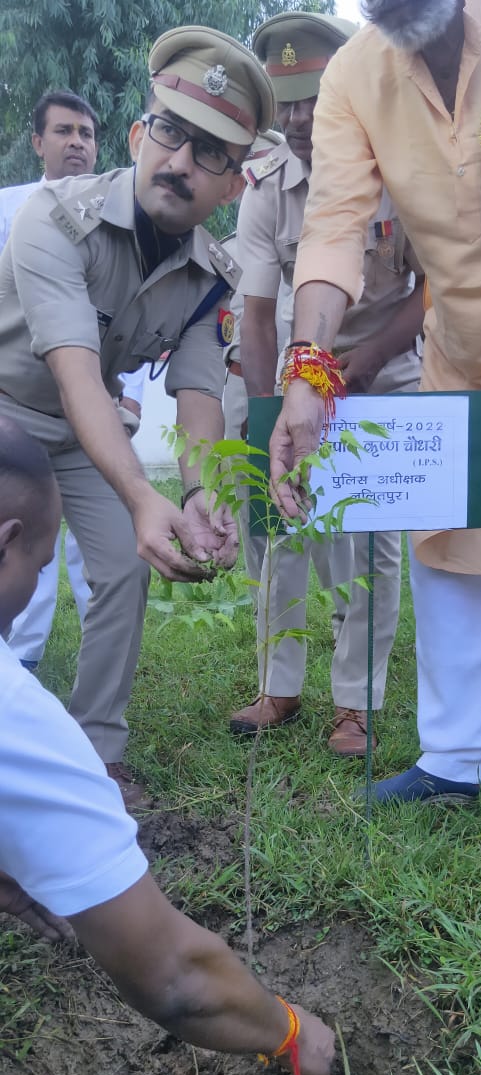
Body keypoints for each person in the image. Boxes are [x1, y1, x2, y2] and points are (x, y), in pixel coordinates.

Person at [268, 0, 481, 892]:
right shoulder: (353, 76)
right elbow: (335, 223)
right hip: (460, 352)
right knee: (446, 550)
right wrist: (309, 374)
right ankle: (455, 759)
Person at [0, 414, 334, 1075]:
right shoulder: (17, 717)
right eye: (39, 568)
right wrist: (289, 1031)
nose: (35, 591)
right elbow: (177, 980)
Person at [0, 27, 275, 803]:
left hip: (78, 430)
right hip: (7, 408)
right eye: (172, 133)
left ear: (235, 185)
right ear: (138, 133)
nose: (181, 162)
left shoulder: (212, 277)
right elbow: (77, 372)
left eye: (211, 153)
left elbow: (195, 397)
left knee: (123, 567)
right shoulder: (54, 216)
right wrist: (140, 495)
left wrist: (197, 494)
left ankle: (96, 752)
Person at [229, 12, 423, 755]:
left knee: (371, 535)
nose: (304, 118)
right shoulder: (265, 187)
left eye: (316, 97)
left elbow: (427, 290)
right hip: (290, 366)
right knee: (282, 526)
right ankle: (278, 685)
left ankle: (356, 702)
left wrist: (363, 362)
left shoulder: (400, 172)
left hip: (384, 366)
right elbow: (254, 313)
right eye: (289, 102)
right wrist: (271, 408)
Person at [0, 89, 146, 671]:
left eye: (86, 133)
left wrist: (127, 399)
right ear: (37, 142)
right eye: (63, 131)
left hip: (92, 417)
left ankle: (96, 724)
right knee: (19, 543)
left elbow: (134, 325)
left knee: (109, 561)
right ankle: (22, 664)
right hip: (14, 413)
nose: (77, 143)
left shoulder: (121, 224)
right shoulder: (10, 209)